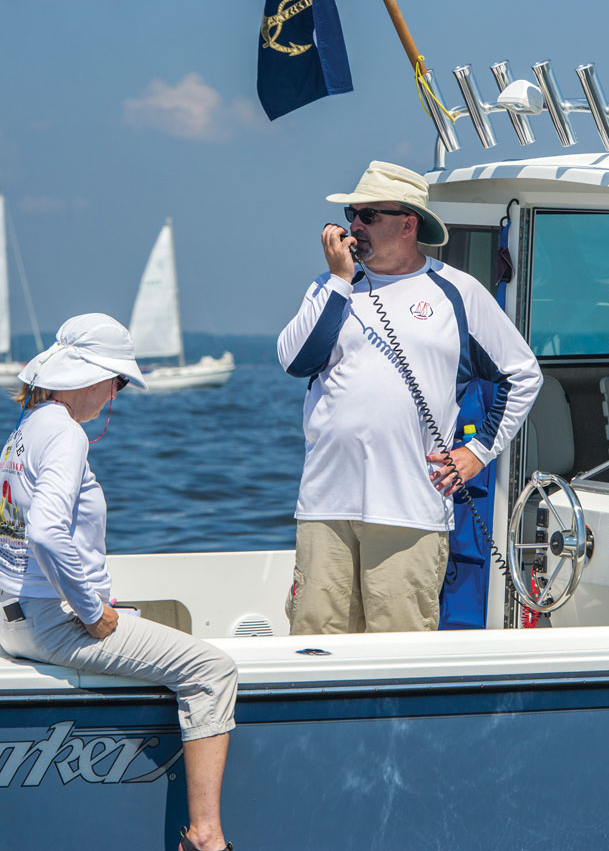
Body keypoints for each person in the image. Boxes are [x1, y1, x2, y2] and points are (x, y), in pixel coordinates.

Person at [0, 314, 235, 851]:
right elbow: (45, 531)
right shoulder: (65, 433)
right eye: (118, 380)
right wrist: (90, 610)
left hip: (14, 617)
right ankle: (207, 837)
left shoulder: (27, 428)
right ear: (89, 376)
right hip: (53, 621)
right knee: (211, 669)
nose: (116, 393)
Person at [278, 160, 542, 635]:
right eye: (351, 213)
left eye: (369, 215)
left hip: (409, 509)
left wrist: (478, 453)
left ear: (407, 224)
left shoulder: (457, 291)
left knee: (397, 651)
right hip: (325, 505)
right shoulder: (329, 289)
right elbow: (296, 360)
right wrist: (339, 282)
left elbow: (522, 375)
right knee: (314, 648)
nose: (353, 225)